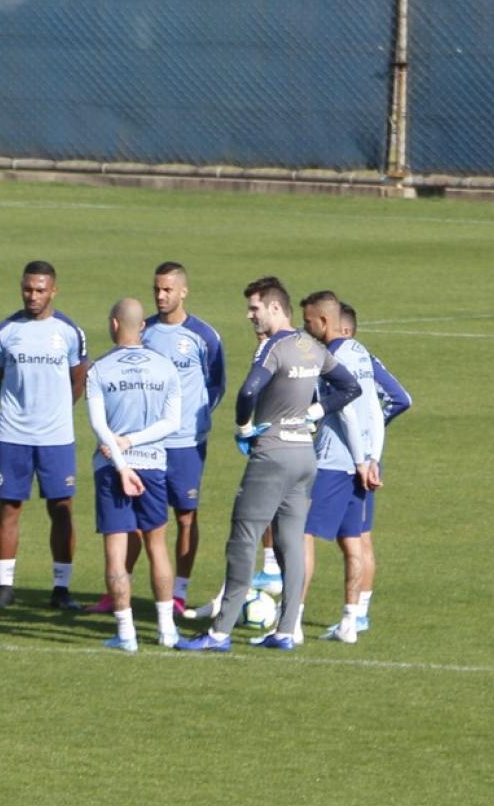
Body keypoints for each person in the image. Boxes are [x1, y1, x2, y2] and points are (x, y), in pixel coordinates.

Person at [176, 277, 361, 652]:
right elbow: (350, 387)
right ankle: (285, 630)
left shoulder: (272, 348)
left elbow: (247, 391)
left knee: (243, 540)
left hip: (272, 455)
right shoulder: (311, 346)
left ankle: (219, 633)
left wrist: (244, 426)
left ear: (275, 308)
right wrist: (317, 410)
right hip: (304, 457)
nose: (249, 315)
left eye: (255, 308)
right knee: (290, 545)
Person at [84, 262, 224, 615]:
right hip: (143, 445)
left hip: (185, 441)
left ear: (183, 291)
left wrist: (199, 419)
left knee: (184, 517)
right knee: (129, 519)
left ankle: (179, 592)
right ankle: (119, 589)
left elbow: (216, 383)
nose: (161, 296)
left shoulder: (204, 336)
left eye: (167, 290)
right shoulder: (142, 331)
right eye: (156, 289)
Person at [0, 260, 90, 610]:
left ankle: (61, 588)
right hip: (13, 434)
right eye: (28, 288)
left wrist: (57, 408)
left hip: (56, 437)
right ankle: (4, 586)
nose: (33, 295)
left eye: (40, 289)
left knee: (61, 509)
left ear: (53, 290)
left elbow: (79, 378)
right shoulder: (5, 331)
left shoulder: (70, 332)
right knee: (9, 508)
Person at [288, 290, 384, 646]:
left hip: (333, 461)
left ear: (324, 322)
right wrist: (373, 457)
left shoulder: (329, 359)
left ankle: (293, 622)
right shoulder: (361, 352)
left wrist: (360, 459)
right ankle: (349, 621)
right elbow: (374, 408)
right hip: (362, 462)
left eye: (309, 320)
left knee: (302, 536)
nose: (305, 326)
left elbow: (344, 410)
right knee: (353, 541)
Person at [85, 298, 182, 651]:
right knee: (157, 547)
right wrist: (135, 441)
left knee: (116, 552)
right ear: (142, 326)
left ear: (114, 324)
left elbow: (98, 424)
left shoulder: (100, 369)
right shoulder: (165, 367)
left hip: (112, 469)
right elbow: (172, 423)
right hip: (154, 464)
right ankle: (167, 629)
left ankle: (126, 635)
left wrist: (122, 459)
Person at [319, 301, 412, 637]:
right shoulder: (367, 359)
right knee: (361, 539)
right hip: (371, 457)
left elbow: (347, 408)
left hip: (343, 457)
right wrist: (373, 437)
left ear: (341, 329)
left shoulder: (335, 358)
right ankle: (358, 615)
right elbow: (400, 398)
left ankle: (289, 613)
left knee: (310, 534)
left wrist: (359, 434)